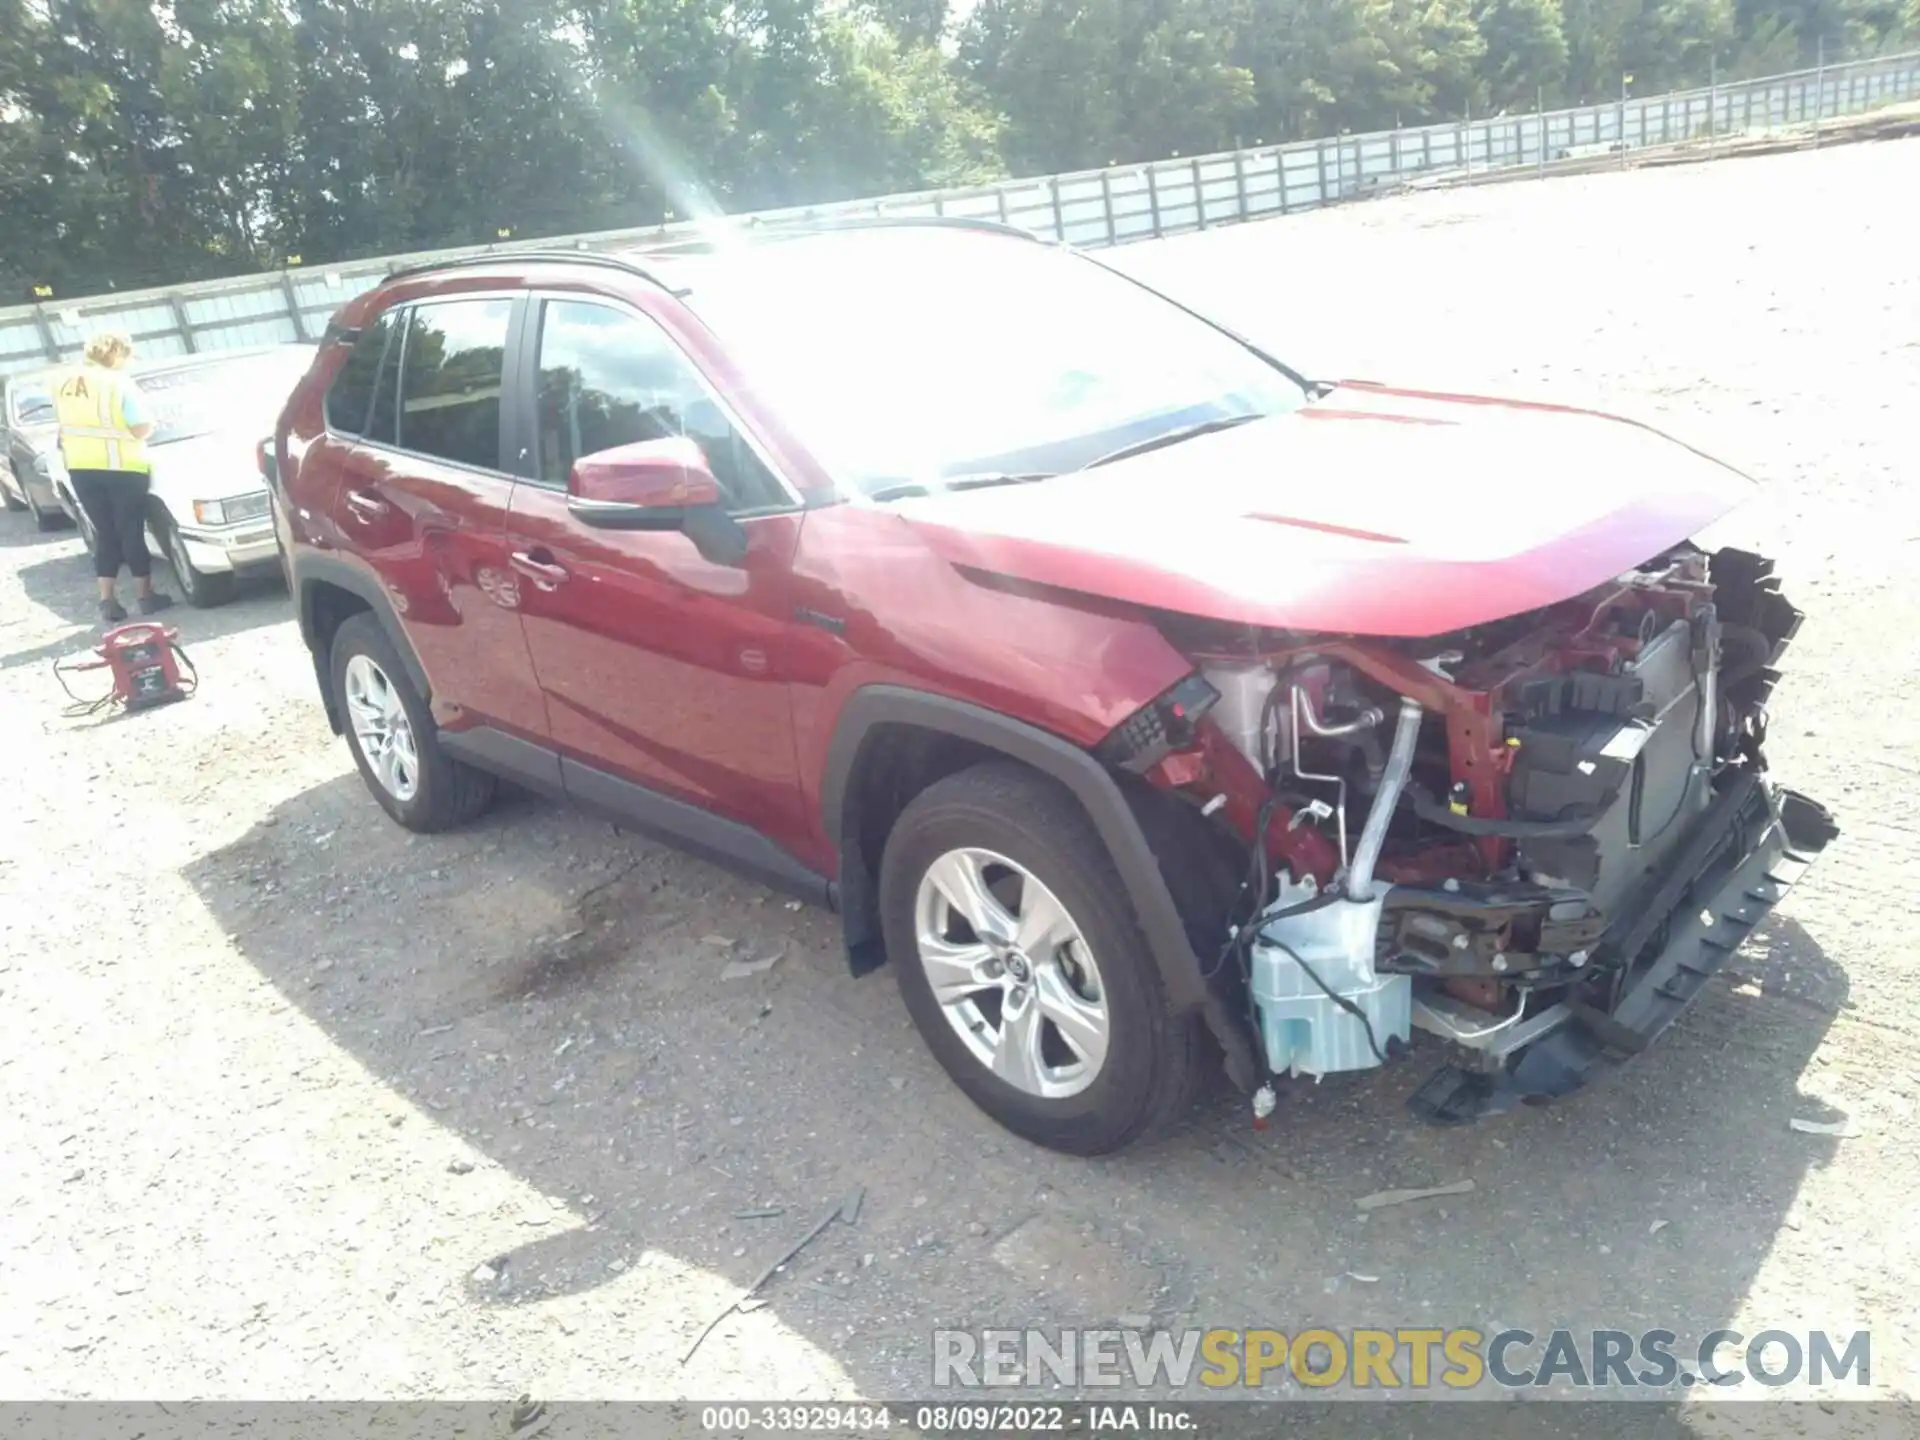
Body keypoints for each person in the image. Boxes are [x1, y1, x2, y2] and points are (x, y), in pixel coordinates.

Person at [54, 330, 173, 625]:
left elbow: (62, 429)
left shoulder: (65, 382)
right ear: (117, 353)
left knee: (105, 532)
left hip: (81, 468)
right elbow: (141, 427)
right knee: (130, 530)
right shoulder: (118, 383)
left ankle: (107, 601)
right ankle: (146, 597)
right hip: (122, 467)